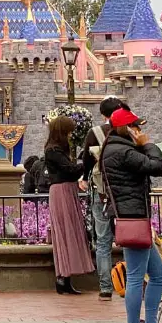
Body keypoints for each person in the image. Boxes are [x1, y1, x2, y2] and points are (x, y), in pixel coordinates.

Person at [99, 107, 162, 323]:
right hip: (132, 218)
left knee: (159, 274)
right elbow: (157, 166)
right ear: (127, 129)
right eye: (136, 127)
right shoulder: (123, 152)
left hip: (134, 216)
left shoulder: (115, 149)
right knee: (134, 276)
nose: (140, 131)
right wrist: (147, 144)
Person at [79, 96, 125, 300]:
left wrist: (84, 179)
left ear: (102, 114)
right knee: (130, 239)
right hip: (125, 193)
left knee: (103, 241)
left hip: (102, 193)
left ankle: (106, 288)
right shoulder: (127, 132)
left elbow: (86, 162)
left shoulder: (95, 133)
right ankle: (134, 282)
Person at [44, 116, 93, 295]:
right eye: (69, 131)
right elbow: (69, 170)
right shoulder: (53, 151)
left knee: (70, 230)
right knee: (65, 231)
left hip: (67, 190)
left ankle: (66, 277)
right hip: (61, 191)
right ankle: (62, 276)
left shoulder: (58, 150)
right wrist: (87, 162)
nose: (71, 135)